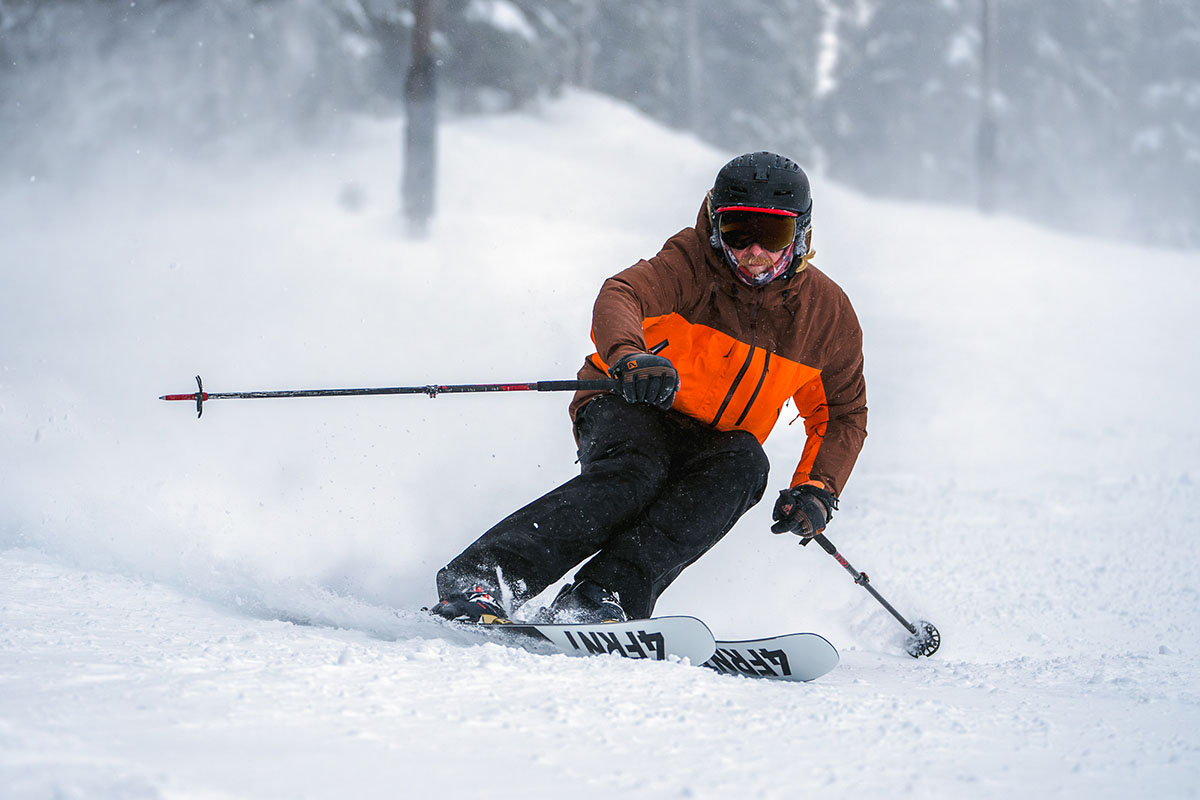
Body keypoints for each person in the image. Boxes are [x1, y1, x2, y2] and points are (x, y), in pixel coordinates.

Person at [431, 151, 867, 624]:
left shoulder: (826, 314)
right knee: (636, 474)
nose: (753, 253)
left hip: (716, 442)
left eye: (773, 235)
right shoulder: (691, 262)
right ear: (716, 226)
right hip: (633, 400)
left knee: (746, 465)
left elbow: (842, 413)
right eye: (738, 233)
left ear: (801, 234)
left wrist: (817, 488)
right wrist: (630, 357)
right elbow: (623, 293)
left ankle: (601, 598)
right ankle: (483, 577)